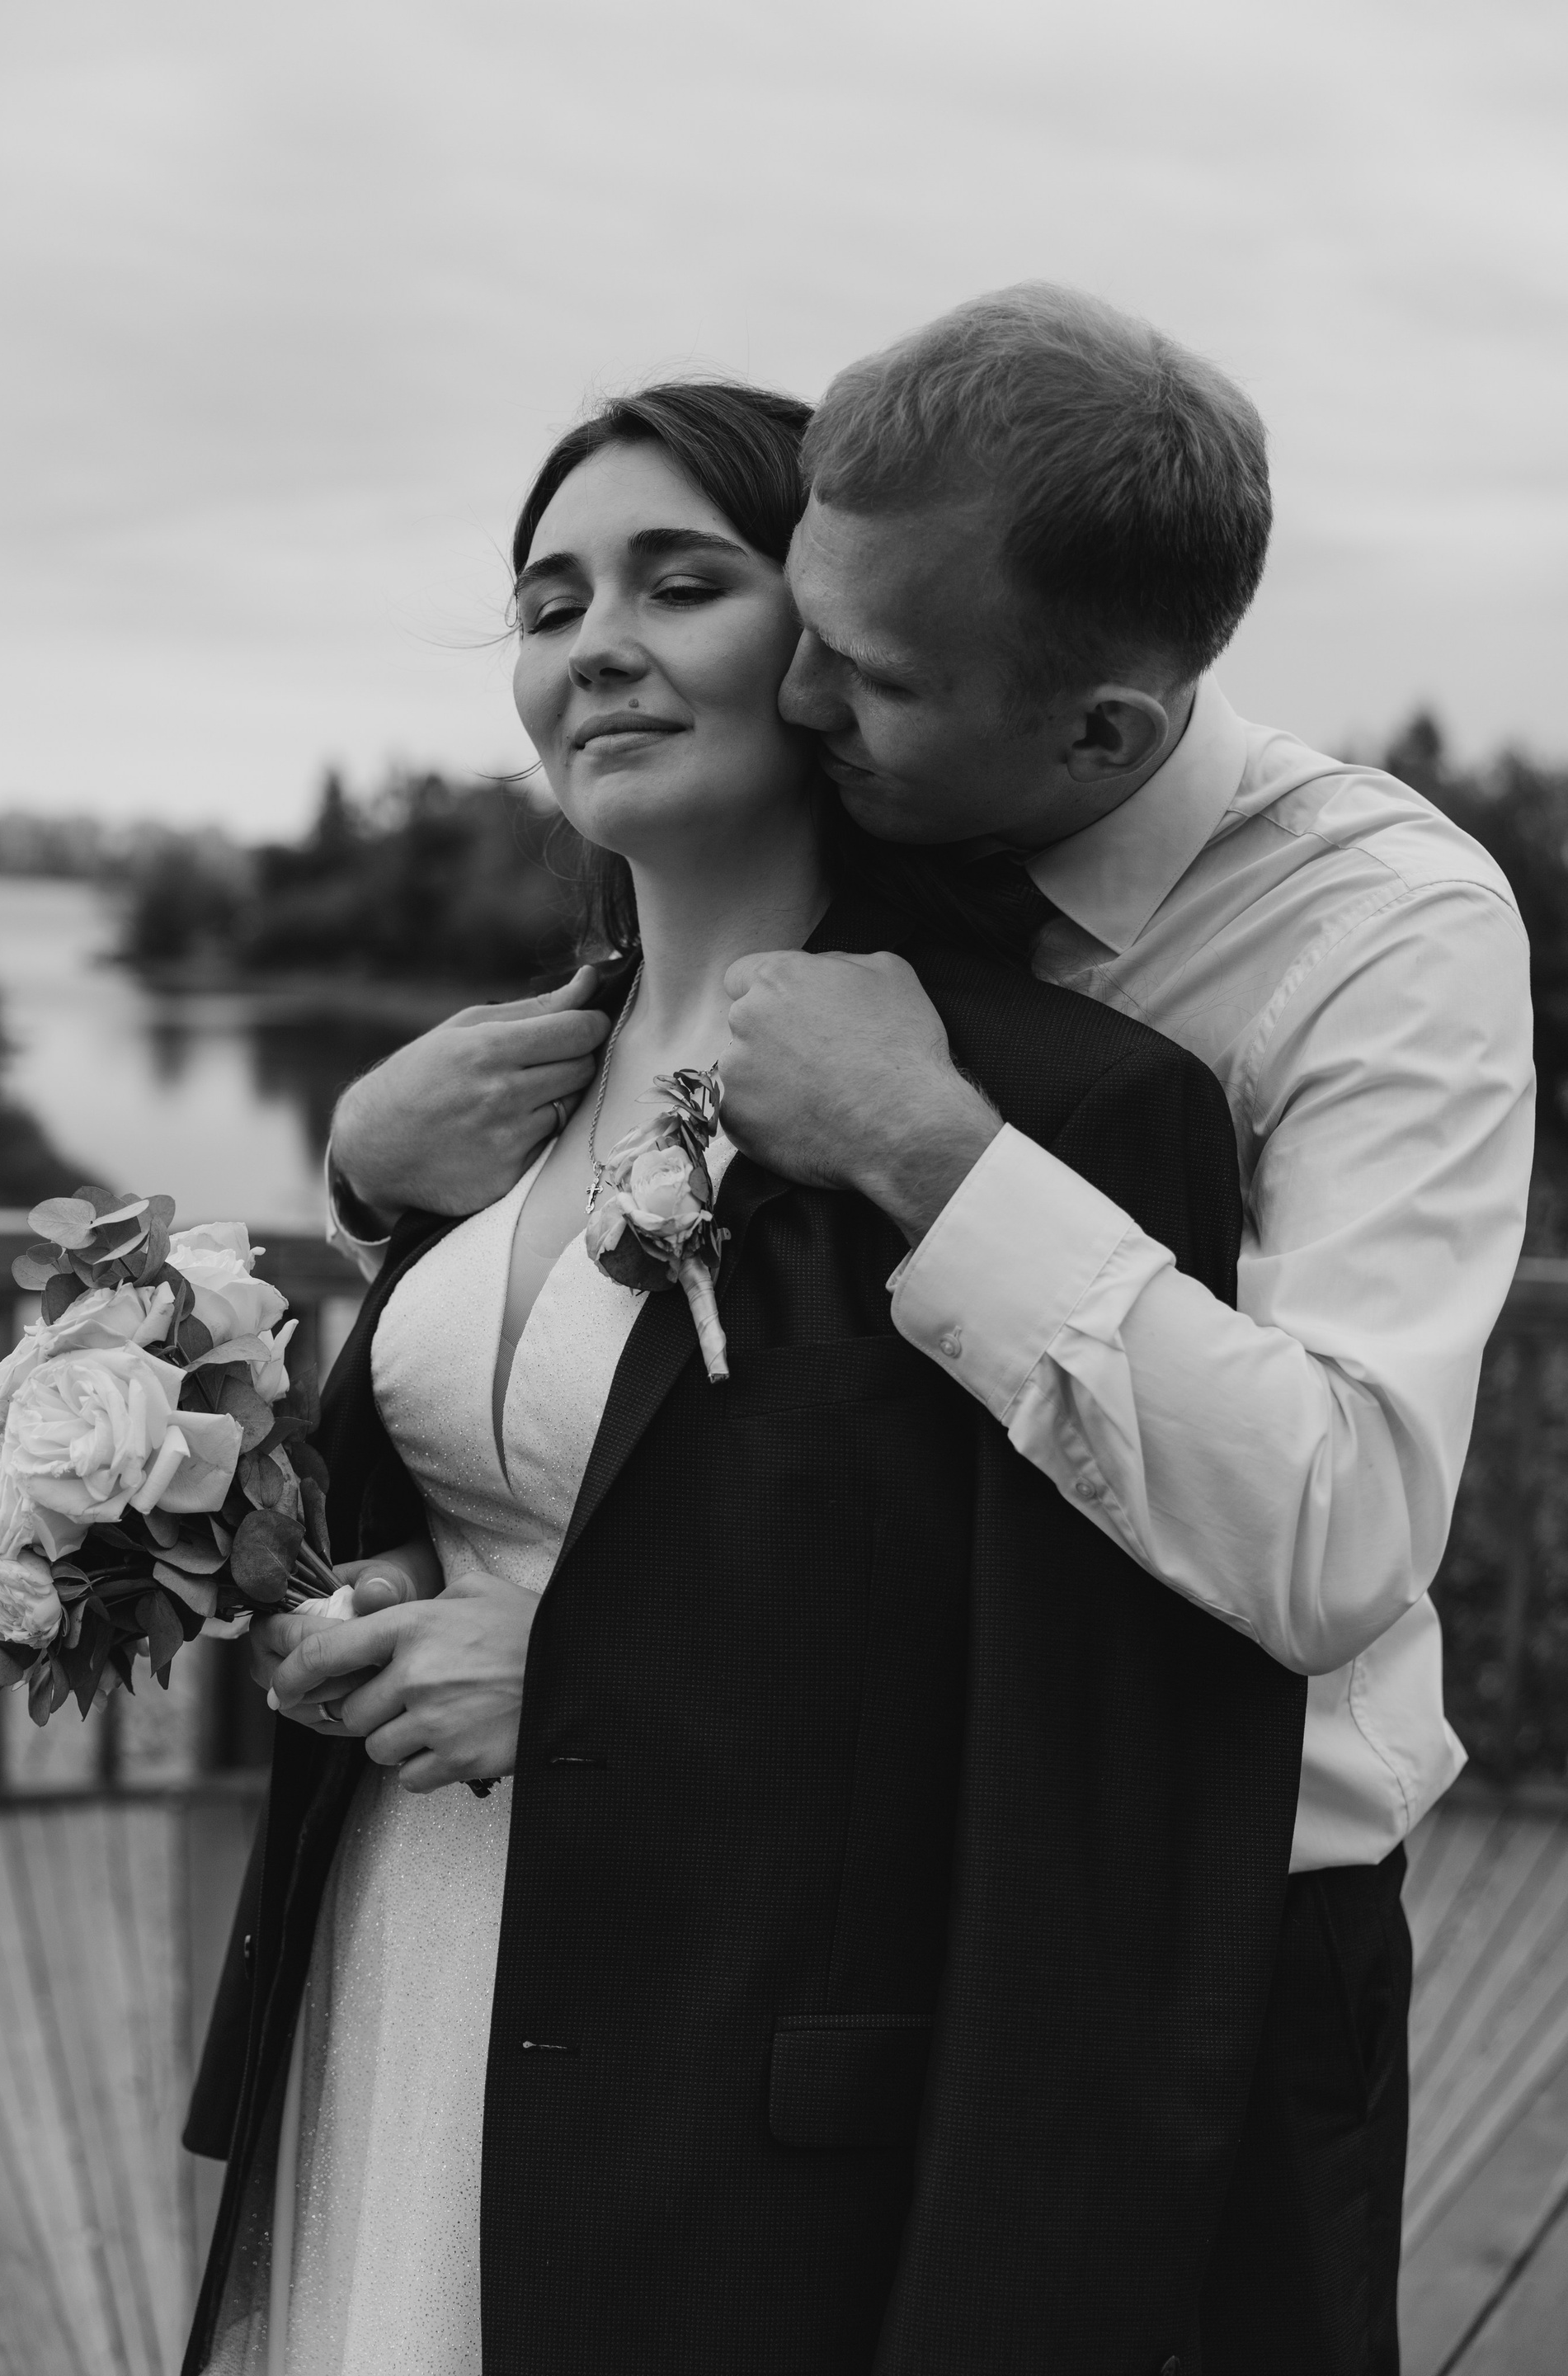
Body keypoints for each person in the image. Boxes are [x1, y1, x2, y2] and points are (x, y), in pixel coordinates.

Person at [321, 288, 1535, 2376]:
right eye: (795, 616)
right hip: (715, 1931)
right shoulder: (765, 939)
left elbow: (1337, 1536)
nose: (799, 695)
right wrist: (375, 1185)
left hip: (1208, 1920)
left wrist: (934, 1153)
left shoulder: (1369, 935)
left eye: (856, 670)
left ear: (1101, 738)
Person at [182, 380, 1302, 2376]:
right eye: (548, 605)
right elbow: (519, 1498)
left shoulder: (1048, 1110)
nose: (594, 644)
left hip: (730, 2105)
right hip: (405, 1959)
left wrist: (578, 1679)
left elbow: (1087, 1758)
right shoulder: (486, 1100)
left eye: (679, 582)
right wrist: (367, 1584)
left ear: (832, 641)